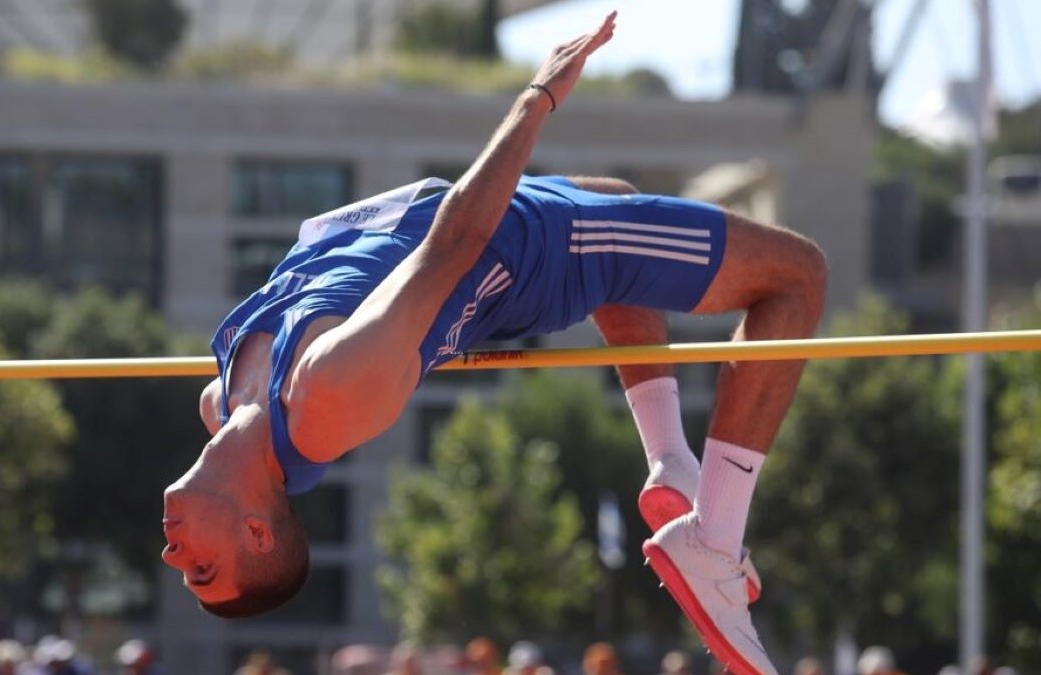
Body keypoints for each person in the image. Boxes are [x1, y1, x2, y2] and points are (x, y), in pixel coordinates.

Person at [161, 11, 826, 675]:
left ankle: (671, 462)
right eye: (201, 566)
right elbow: (454, 244)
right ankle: (715, 538)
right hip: (534, 245)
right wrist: (539, 95)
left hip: (484, 223)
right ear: (256, 529)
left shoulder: (220, 401)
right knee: (796, 277)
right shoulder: (328, 392)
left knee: (617, 195)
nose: (171, 555)